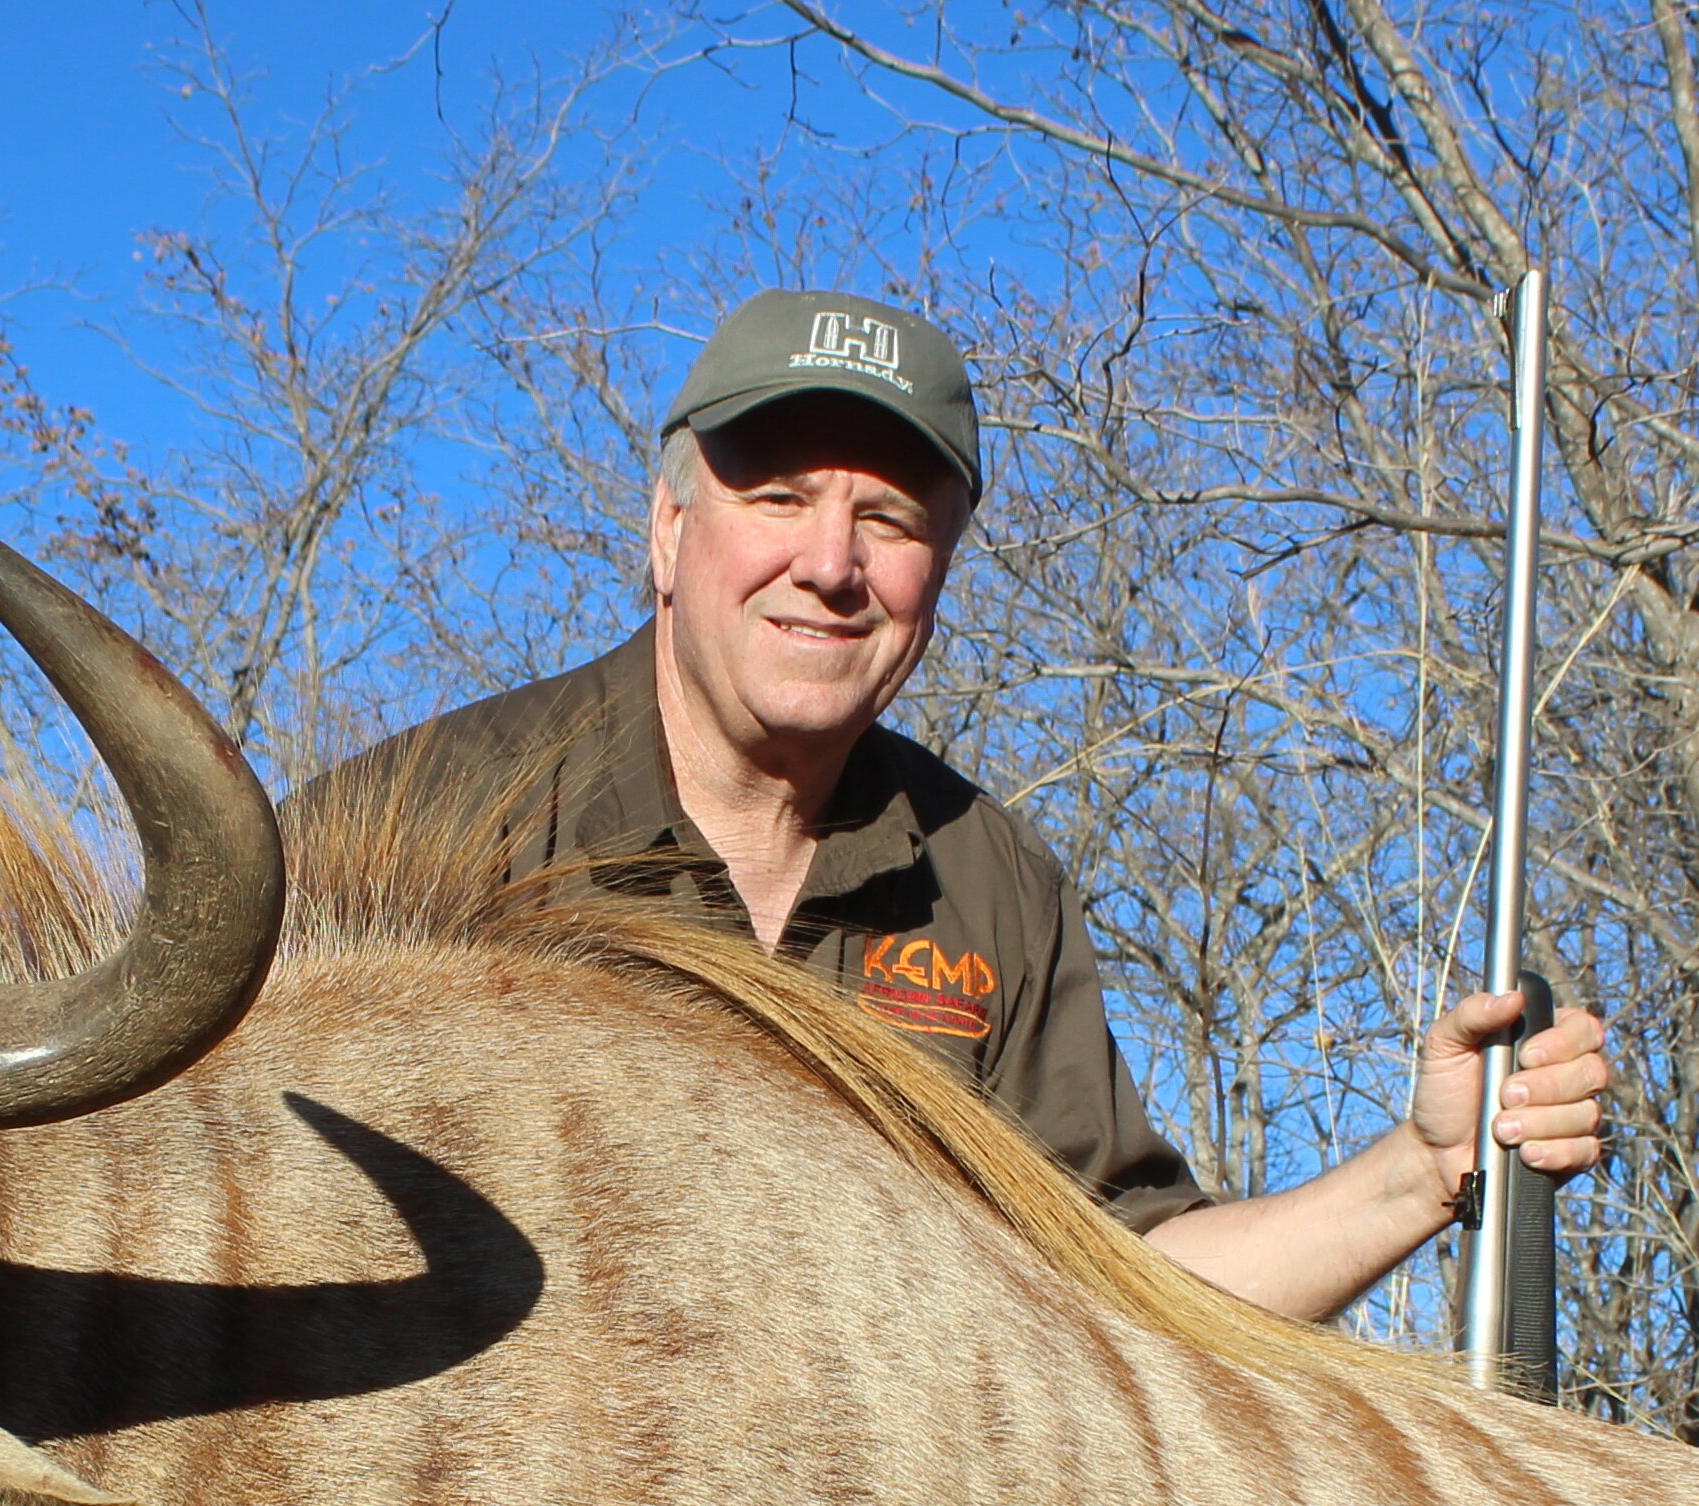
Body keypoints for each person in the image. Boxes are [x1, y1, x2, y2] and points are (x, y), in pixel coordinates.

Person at [297, 288, 1610, 1330]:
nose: (830, 565)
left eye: (889, 518)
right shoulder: (412, 826)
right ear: (666, 531)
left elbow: (1132, 1288)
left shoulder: (992, 880)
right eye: (778, 500)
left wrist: (1422, 1168)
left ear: (942, 569)